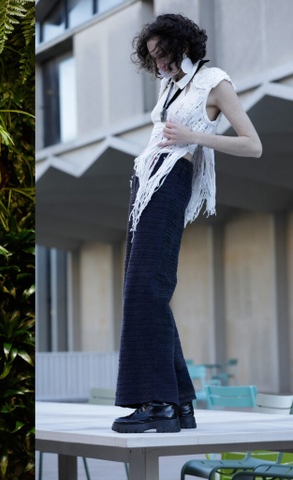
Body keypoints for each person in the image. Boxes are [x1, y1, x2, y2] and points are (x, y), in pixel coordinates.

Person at [112, 13, 262, 434]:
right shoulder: (170, 86)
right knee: (144, 290)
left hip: (172, 178)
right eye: (152, 56)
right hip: (146, 181)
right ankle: (179, 405)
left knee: (147, 290)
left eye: (163, 54)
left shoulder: (214, 81)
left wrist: (194, 137)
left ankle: (158, 403)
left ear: (182, 45)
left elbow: (253, 145)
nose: (158, 63)